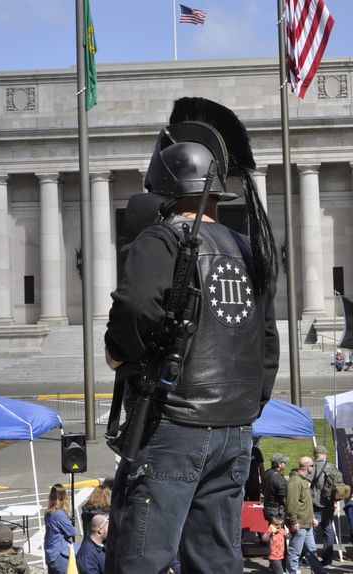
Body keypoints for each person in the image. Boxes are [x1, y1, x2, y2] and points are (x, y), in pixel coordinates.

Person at [104, 98, 279, 574]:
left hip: (174, 422)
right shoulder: (247, 249)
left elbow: (136, 307)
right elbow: (267, 346)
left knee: (139, 558)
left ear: (162, 184)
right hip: (234, 429)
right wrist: (246, 407)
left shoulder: (162, 238)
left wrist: (122, 353)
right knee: (216, 560)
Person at [285, 457, 326, 574]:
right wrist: (293, 521)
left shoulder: (302, 480)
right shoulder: (295, 482)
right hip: (300, 524)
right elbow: (291, 504)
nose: (313, 468)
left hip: (306, 523)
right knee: (295, 552)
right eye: (312, 466)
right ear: (308, 467)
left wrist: (311, 517)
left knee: (312, 551)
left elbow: (305, 503)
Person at [309, 444, 342, 567]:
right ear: (325, 454)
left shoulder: (313, 468)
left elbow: (307, 484)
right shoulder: (332, 467)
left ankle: (310, 558)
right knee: (328, 530)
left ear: (315, 455)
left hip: (316, 504)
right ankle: (327, 560)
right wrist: (335, 503)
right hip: (329, 504)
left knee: (311, 531)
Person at [44, 483, 76, 574]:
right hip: (58, 554)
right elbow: (72, 532)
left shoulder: (48, 513)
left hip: (50, 552)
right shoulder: (59, 514)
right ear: (63, 497)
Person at [263, 453, 289, 521]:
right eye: (284, 462)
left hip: (267, 507)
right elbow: (284, 496)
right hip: (276, 510)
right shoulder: (278, 477)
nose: (285, 464)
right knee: (277, 530)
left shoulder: (266, 473)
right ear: (279, 464)